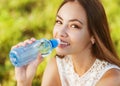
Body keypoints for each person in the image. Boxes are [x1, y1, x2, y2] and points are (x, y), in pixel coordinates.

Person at [11, 0, 120, 86]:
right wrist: (24, 82)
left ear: (93, 36)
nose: (61, 32)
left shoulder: (112, 79)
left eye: (74, 26)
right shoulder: (58, 66)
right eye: (59, 22)